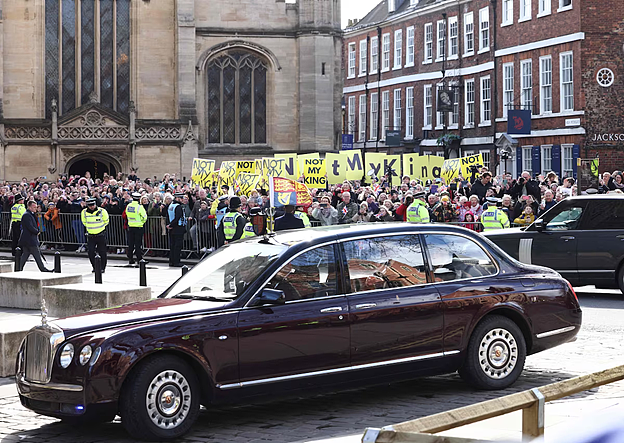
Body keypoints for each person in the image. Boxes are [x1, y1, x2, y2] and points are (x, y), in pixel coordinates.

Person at [18, 200, 52, 272]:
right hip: (29, 239)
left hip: (28, 239)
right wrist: (37, 232)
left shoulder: (31, 214)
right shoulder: (27, 215)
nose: (35, 208)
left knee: (25, 254)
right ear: (29, 207)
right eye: (34, 207)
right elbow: (30, 226)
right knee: (36, 255)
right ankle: (42, 269)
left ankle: (19, 268)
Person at [81, 197, 110, 273]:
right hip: (90, 235)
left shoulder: (102, 211)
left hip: (100, 234)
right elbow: (84, 222)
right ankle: (95, 266)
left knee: (102, 252)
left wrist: (100, 227)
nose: (91, 207)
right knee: (91, 252)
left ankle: (102, 267)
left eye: (93, 205)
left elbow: (106, 221)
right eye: (90, 205)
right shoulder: (84, 212)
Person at [125, 192, 148, 265]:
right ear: (139, 199)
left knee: (131, 244)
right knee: (138, 244)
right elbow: (145, 217)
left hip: (130, 226)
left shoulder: (129, 206)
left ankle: (130, 259)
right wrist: (141, 222)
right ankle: (139, 259)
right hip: (138, 227)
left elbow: (126, 214)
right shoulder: (139, 207)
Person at [167, 192, 187, 266]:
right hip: (178, 227)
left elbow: (168, 216)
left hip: (172, 227)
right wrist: (172, 225)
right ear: (177, 198)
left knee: (172, 245)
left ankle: (171, 261)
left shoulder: (171, 205)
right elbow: (177, 217)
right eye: (181, 198)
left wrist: (169, 225)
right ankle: (176, 261)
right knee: (177, 246)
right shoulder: (178, 206)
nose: (182, 200)